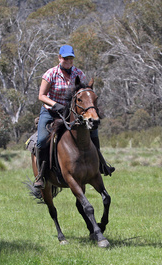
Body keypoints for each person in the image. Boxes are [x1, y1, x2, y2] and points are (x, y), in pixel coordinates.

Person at [34, 45, 114, 189]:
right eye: (65, 58)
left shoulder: (79, 73)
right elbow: (41, 96)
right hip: (51, 112)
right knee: (41, 141)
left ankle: (101, 165)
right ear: (59, 58)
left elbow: (84, 92)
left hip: (73, 112)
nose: (68, 61)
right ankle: (41, 174)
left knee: (93, 132)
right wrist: (55, 104)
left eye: (71, 58)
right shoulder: (50, 74)